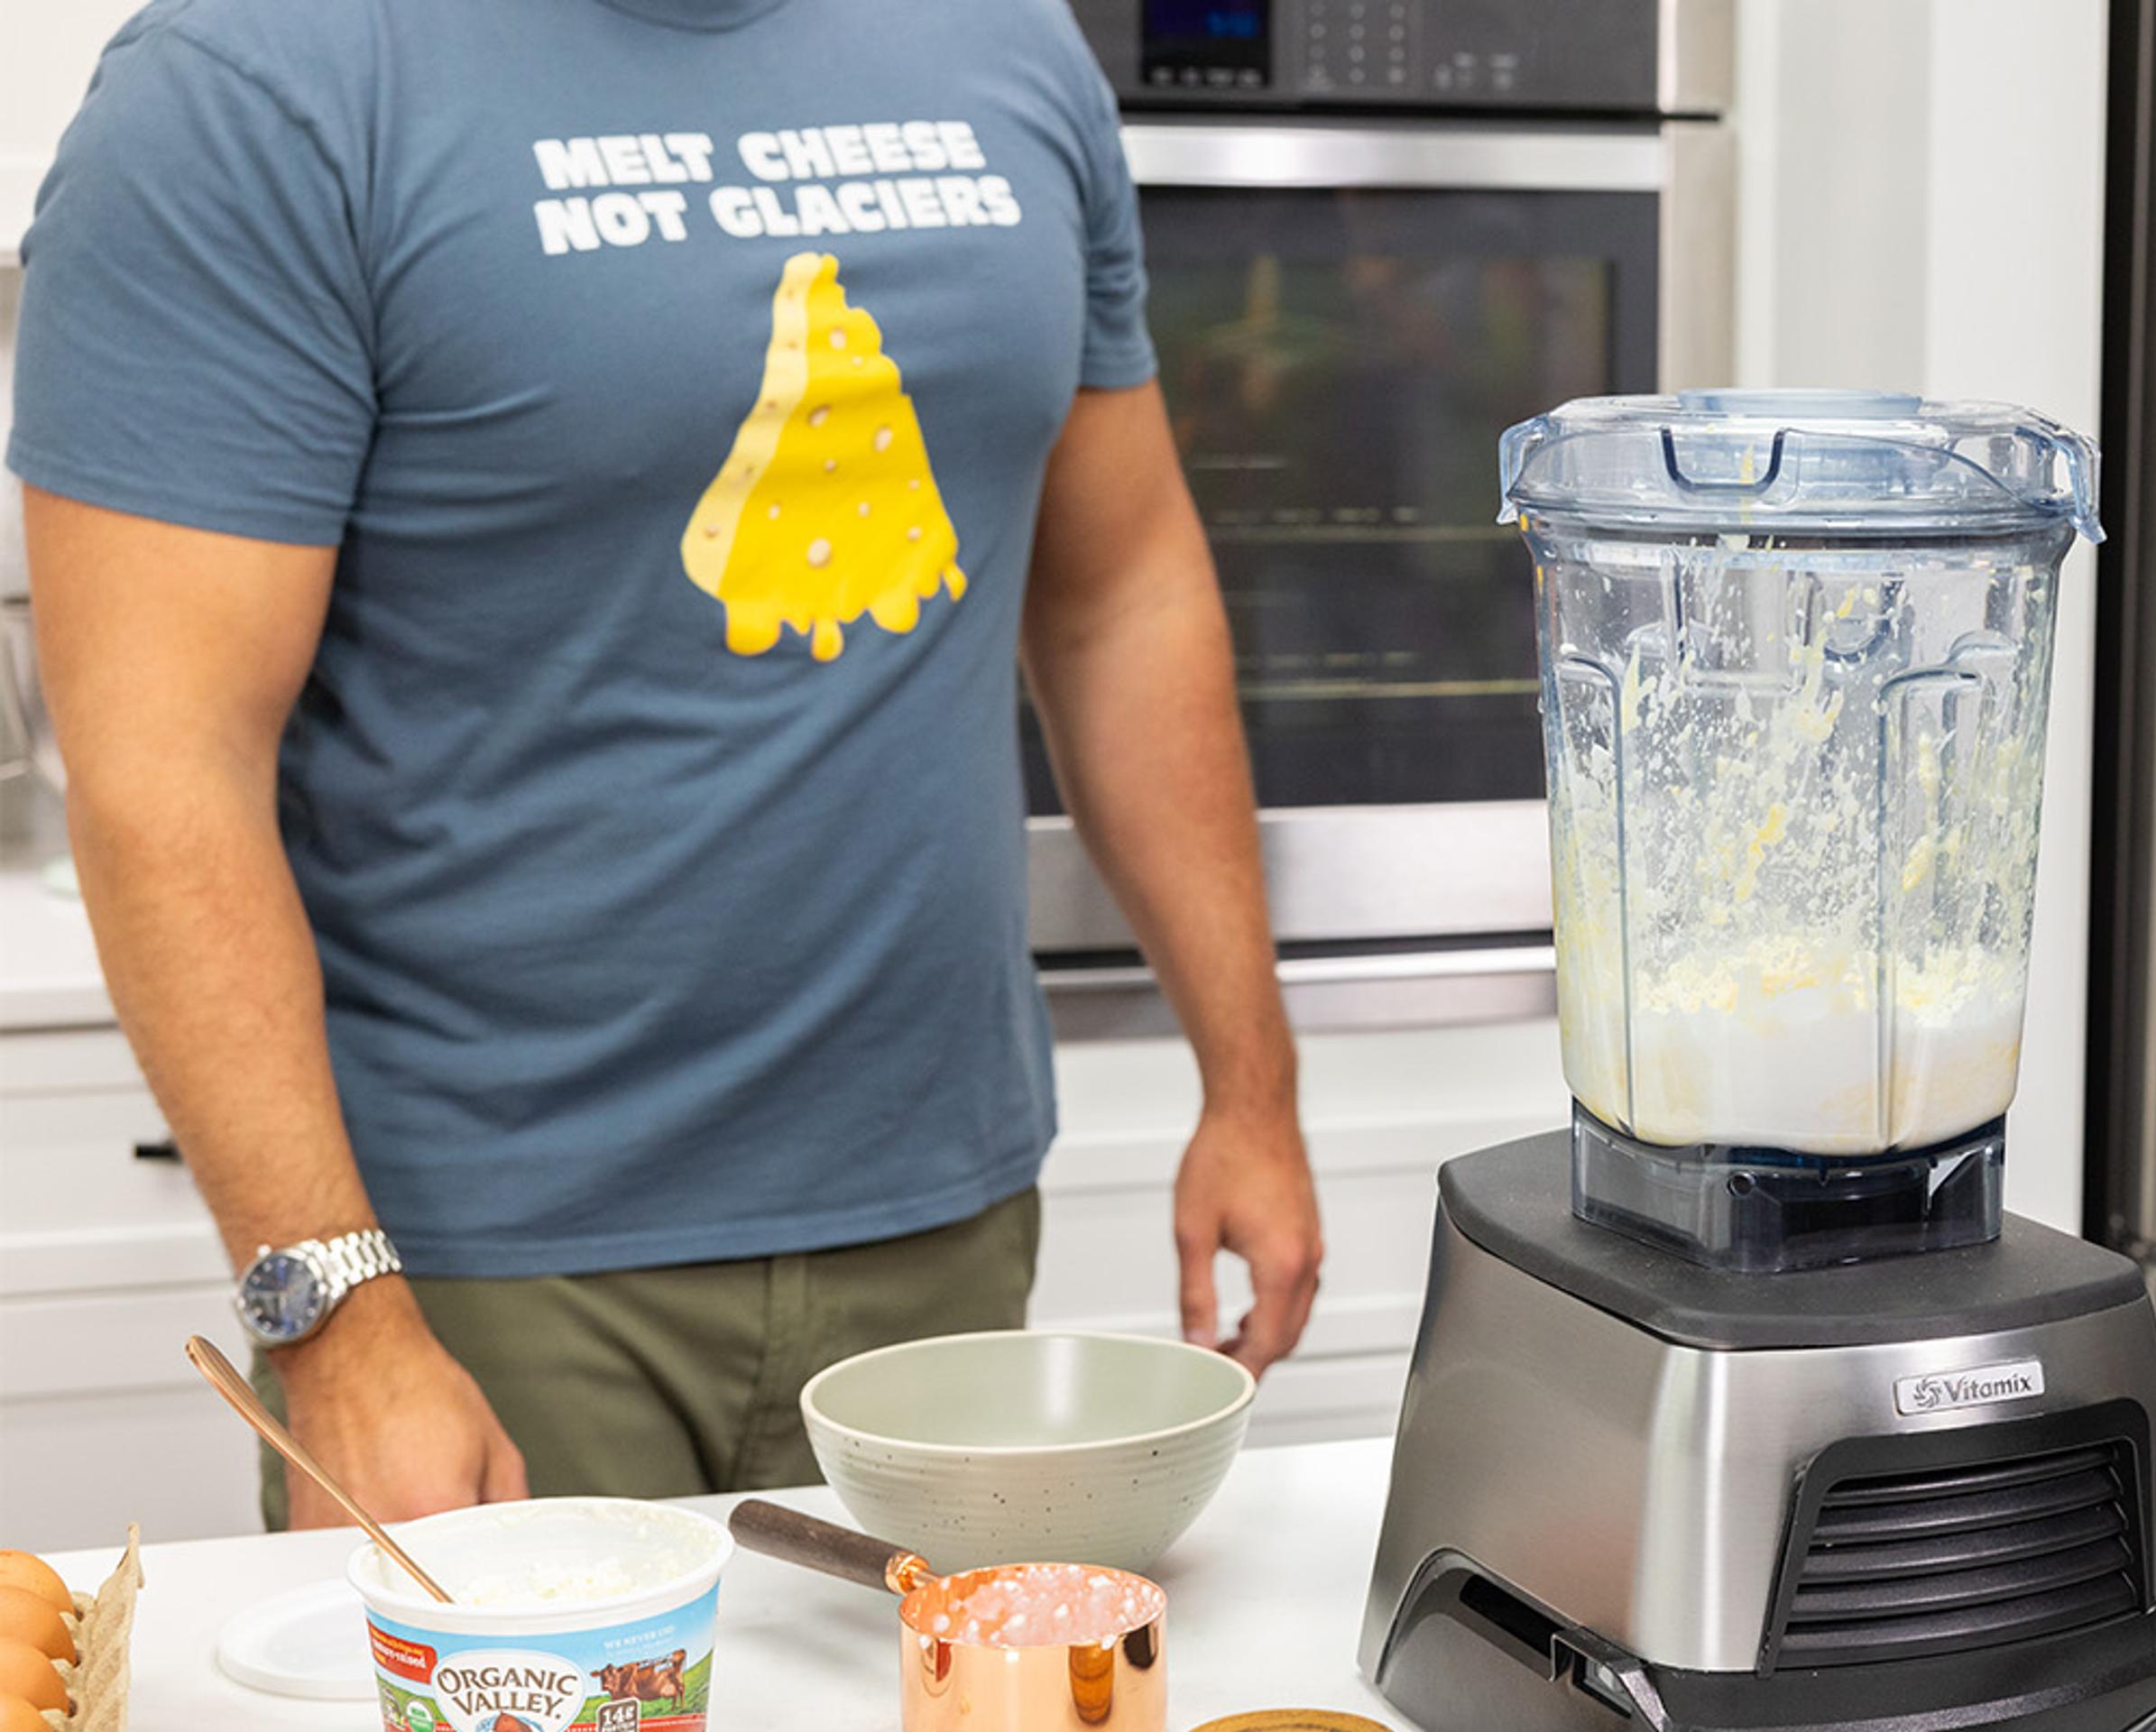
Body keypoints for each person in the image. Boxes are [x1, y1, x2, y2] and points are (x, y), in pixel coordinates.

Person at [12, 0, 1322, 1528]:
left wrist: (1252, 1082)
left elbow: (1122, 592)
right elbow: (160, 765)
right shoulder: (257, 85)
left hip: (940, 1222)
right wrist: (343, 1333)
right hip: (487, 1276)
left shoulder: (1006, 41)